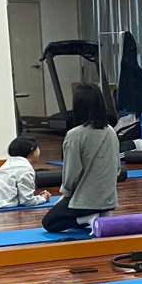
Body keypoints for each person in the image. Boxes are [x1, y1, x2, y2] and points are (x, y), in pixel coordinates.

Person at [42, 84, 119, 233]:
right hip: (109, 200)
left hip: (87, 202)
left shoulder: (75, 135)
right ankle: (99, 214)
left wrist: (66, 194)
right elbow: (116, 168)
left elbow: (72, 173)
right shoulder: (111, 132)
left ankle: (88, 218)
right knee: (68, 215)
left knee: (49, 223)